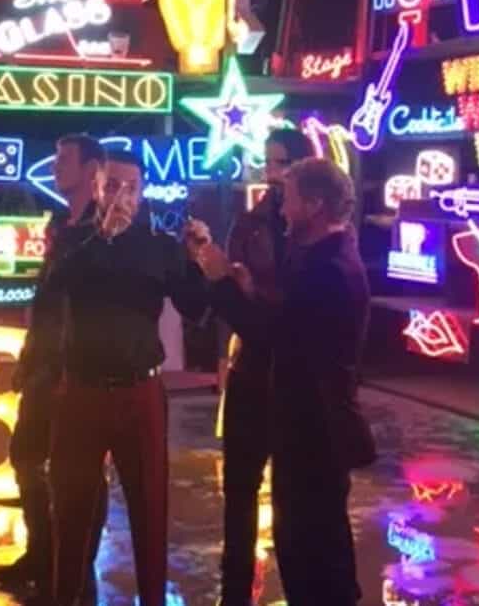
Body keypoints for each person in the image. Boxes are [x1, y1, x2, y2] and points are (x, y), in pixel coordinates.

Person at [198, 158, 375, 605]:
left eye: (291, 199)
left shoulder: (327, 269)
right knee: (314, 547)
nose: (282, 211)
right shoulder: (323, 257)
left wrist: (221, 283)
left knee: (312, 557)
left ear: (315, 205)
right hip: (308, 424)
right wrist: (250, 290)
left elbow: (273, 335)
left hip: (313, 427)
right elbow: (289, 320)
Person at [45, 151, 209, 606]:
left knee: (150, 508)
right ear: (97, 186)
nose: (122, 195)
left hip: (140, 389)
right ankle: (67, 596)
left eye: (132, 187)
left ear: (142, 192)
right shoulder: (73, 238)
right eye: (113, 184)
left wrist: (195, 259)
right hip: (81, 390)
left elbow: (196, 308)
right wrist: (101, 236)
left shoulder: (158, 245)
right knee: (72, 506)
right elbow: (56, 286)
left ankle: (153, 598)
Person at [0, 134, 109, 600]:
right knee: (27, 458)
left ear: (93, 168)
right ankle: (42, 554)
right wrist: (31, 353)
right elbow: (46, 298)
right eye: (54, 158)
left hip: (79, 369)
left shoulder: (102, 228)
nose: (55, 167)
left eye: (64, 159)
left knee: (79, 473)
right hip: (44, 363)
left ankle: (74, 565)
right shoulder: (61, 223)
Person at [219, 128, 312, 606]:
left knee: (294, 495)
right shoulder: (250, 225)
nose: (271, 174)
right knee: (239, 487)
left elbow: (300, 307)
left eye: (281, 164)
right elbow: (236, 294)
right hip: (252, 369)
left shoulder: (319, 237)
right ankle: (234, 591)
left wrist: (256, 293)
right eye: (268, 163)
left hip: (295, 376)